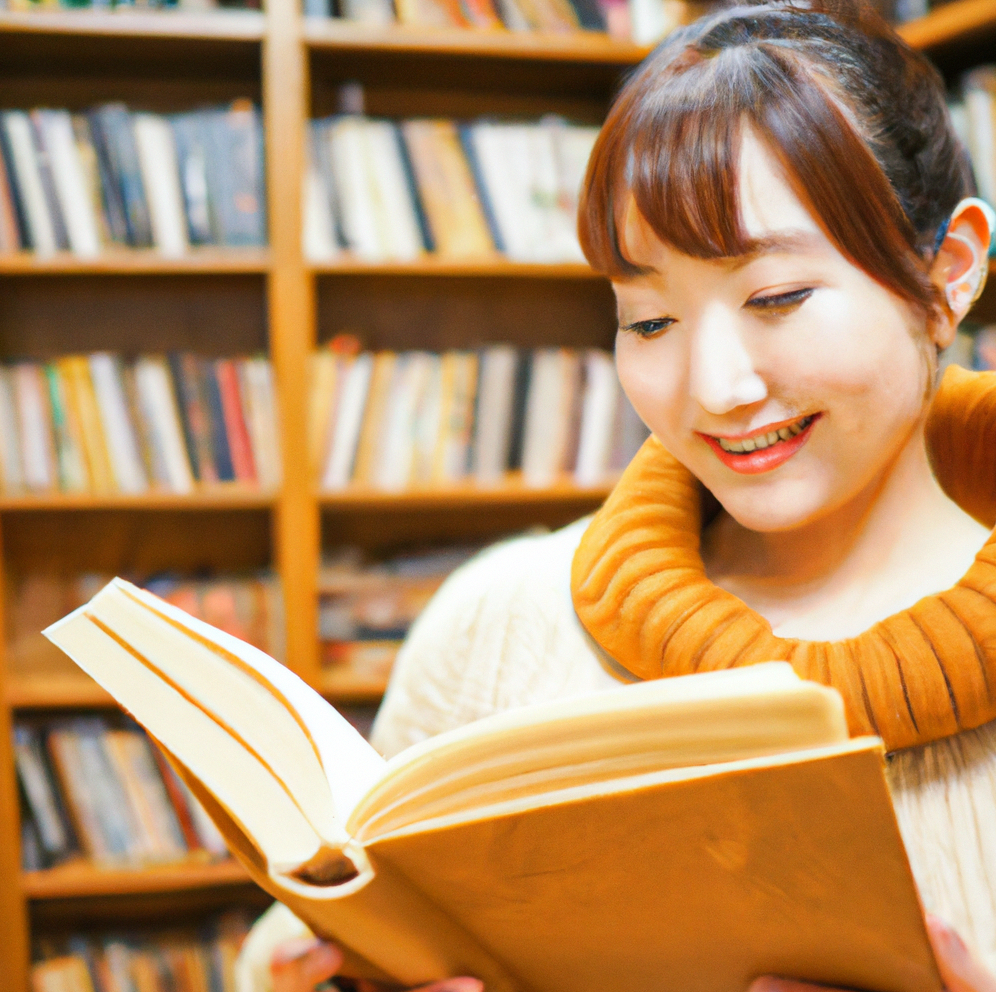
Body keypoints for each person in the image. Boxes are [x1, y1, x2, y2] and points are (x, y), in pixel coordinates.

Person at [236, 1, 996, 988]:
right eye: (648, 320)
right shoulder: (499, 620)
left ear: (949, 272)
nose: (716, 388)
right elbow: (299, 938)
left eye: (776, 297)